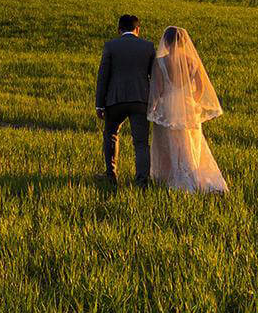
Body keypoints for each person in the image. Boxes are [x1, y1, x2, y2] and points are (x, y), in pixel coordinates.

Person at [148, 26, 229, 194]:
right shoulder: (192, 61)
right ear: (184, 43)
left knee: (169, 144)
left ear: (166, 43)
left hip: (169, 108)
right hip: (188, 107)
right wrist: (191, 100)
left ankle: (170, 178)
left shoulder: (160, 62)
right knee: (190, 143)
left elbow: (158, 89)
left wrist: (153, 108)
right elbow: (200, 87)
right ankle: (193, 176)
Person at [94, 14, 156, 186]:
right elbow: (154, 76)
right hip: (140, 100)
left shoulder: (110, 46)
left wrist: (99, 104)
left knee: (111, 135)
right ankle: (142, 181)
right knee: (141, 143)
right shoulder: (148, 46)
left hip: (115, 100)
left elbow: (103, 76)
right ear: (138, 29)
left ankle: (111, 175)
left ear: (119, 30)